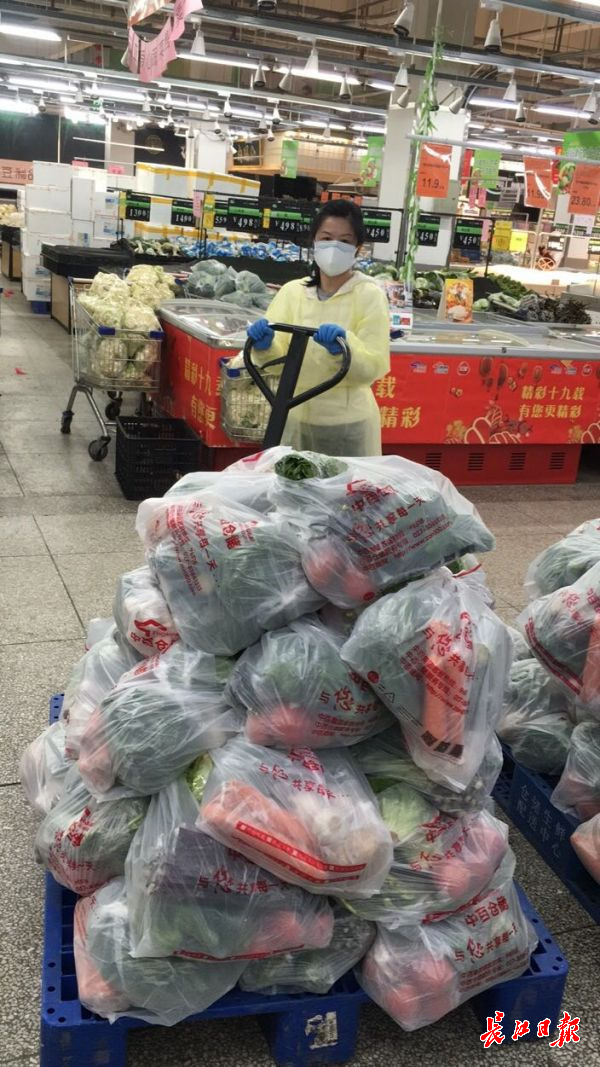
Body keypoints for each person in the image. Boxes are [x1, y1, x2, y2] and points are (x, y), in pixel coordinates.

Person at [246, 199, 390, 456]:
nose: (334, 247)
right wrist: (265, 347)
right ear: (314, 241)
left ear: (358, 248)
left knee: (344, 482)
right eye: (326, 238)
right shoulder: (292, 293)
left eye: (345, 241)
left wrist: (344, 349)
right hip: (295, 417)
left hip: (348, 425)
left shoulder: (369, 295)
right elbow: (277, 363)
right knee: (293, 480)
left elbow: (373, 366)